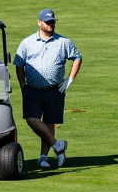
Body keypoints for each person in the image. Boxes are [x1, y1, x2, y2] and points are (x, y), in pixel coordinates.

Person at [13, 9, 82, 170]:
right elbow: (18, 64)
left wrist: (69, 80)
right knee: (32, 121)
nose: (51, 24)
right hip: (32, 90)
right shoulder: (27, 42)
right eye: (47, 22)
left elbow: (77, 57)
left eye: (52, 22)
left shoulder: (63, 42)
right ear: (39, 23)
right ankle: (58, 146)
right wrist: (22, 85)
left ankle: (43, 157)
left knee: (49, 123)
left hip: (54, 89)